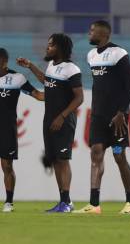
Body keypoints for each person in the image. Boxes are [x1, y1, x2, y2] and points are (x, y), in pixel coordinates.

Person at [73, 20, 130, 214]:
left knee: (118, 155)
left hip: (117, 118)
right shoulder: (91, 55)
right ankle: (94, 204)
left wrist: (121, 112)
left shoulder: (119, 53)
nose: (89, 33)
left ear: (103, 33)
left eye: (92, 30)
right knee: (96, 152)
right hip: (98, 116)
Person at [17, 33, 83, 213]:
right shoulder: (52, 66)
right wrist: (30, 66)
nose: (48, 47)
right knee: (55, 160)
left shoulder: (72, 69)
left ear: (60, 48)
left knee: (63, 159)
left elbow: (79, 98)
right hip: (49, 120)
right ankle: (63, 201)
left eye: (51, 45)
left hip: (63, 120)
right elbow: (46, 82)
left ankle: (67, 202)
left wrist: (62, 117)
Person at [0, 48, 44, 212]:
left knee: (7, 166)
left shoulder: (17, 78)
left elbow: (38, 95)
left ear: (4, 62)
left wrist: (58, 94)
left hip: (6, 128)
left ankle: (9, 202)